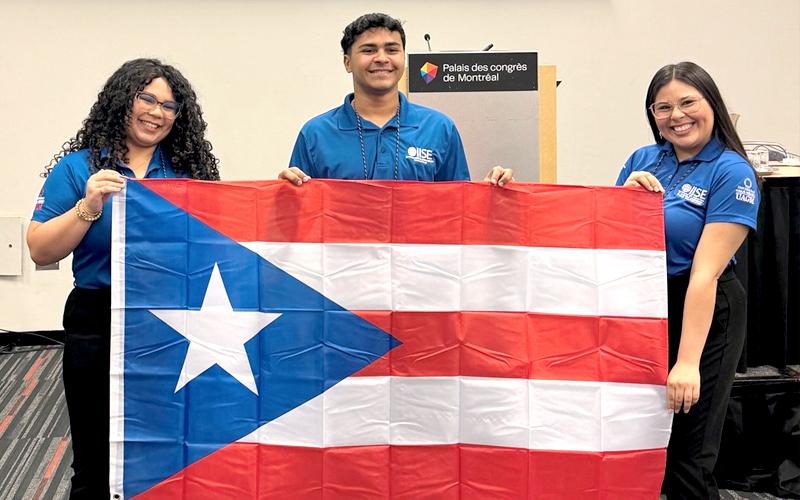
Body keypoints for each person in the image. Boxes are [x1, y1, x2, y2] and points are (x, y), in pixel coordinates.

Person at [27, 58, 220, 499]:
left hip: (173, 320)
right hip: (99, 318)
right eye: (147, 98)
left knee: (170, 447)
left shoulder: (187, 171)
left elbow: (222, 240)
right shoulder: (80, 169)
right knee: (96, 457)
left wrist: (287, 193)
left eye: (170, 106)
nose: (157, 112)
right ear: (122, 101)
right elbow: (40, 250)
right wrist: (89, 204)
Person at [616, 62, 759, 499]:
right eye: (663, 107)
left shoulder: (732, 171)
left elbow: (706, 273)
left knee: (688, 455)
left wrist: (687, 363)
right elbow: (608, 239)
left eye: (687, 102)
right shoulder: (642, 160)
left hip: (704, 309)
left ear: (710, 103)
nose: (676, 115)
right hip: (645, 308)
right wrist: (623, 198)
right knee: (642, 446)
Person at [279, 12, 513, 186]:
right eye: (368, 50)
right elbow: (299, 220)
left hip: (419, 254)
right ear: (347, 62)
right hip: (344, 253)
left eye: (392, 50)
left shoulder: (440, 128)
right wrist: (285, 192)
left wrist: (492, 194)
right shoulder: (316, 134)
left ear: (403, 58)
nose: (382, 58)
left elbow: (459, 210)